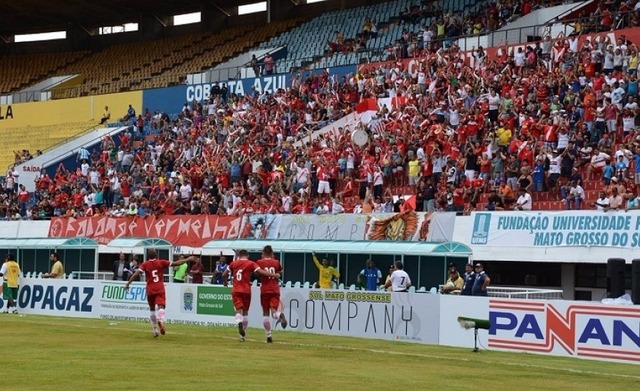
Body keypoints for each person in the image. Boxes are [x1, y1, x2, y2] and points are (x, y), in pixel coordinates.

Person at [124, 249, 196, 337]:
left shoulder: (145, 264)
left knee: (152, 309)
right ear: (156, 255)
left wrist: (128, 283)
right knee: (161, 306)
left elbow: (136, 274)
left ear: (148, 256)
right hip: (159, 288)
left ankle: (155, 330)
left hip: (150, 289)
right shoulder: (161, 262)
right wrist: (188, 259)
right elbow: (177, 263)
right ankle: (161, 320)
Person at [223, 249, 280, 342]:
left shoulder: (234, 263)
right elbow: (261, 272)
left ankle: (240, 326)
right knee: (245, 312)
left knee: (238, 311)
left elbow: (224, 274)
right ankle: (242, 335)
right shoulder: (251, 263)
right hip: (246, 290)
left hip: (236, 289)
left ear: (239, 256)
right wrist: (273, 274)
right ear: (248, 256)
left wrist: (225, 283)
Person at [256, 245, 288, 343]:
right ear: (271, 253)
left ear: (263, 253)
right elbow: (281, 271)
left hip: (265, 290)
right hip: (275, 289)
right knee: (274, 312)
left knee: (265, 314)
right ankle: (279, 315)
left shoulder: (259, 262)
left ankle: (269, 336)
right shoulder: (276, 262)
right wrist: (278, 274)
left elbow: (256, 274)